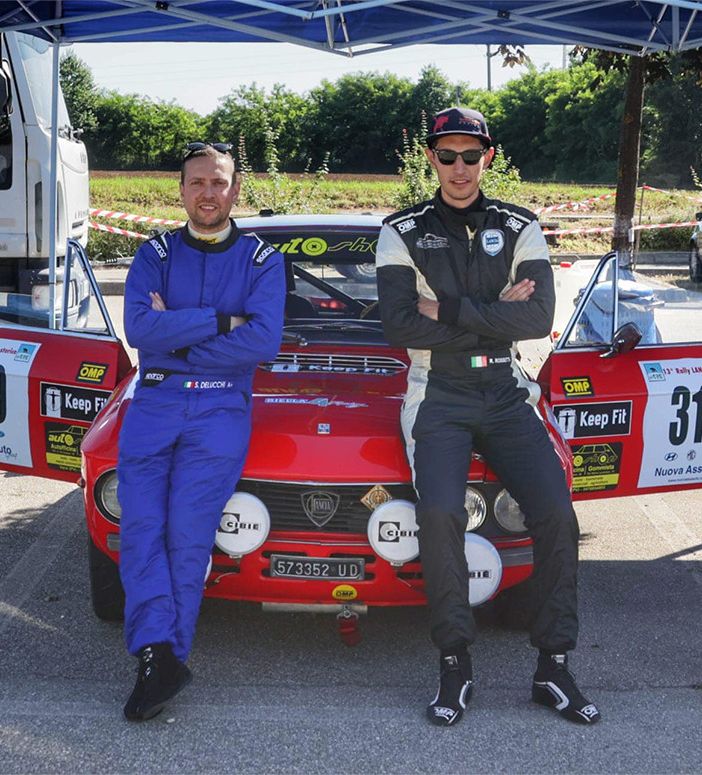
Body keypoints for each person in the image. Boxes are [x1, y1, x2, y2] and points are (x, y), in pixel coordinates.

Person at [376, 108, 600, 728]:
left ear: (488, 158)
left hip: (505, 388)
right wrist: (492, 311)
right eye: (447, 156)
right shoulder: (400, 230)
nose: (459, 168)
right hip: (437, 390)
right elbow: (399, 324)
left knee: (557, 513)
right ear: (431, 159)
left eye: (470, 156)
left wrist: (445, 308)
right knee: (441, 515)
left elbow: (536, 319)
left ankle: (553, 666)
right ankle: (455, 664)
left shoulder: (520, 225)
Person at [117, 141, 286, 721]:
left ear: (235, 189)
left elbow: (262, 341)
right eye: (197, 183)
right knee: (141, 530)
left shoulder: (262, 261)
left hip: (219, 408)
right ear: (182, 190)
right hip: (155, 404)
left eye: (218, 182)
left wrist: (179, 337)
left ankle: (165, 657)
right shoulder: (154, 253)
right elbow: (140, 328)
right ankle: (155, 653)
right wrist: (219, 321)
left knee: (187, 538)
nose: (208, 193)